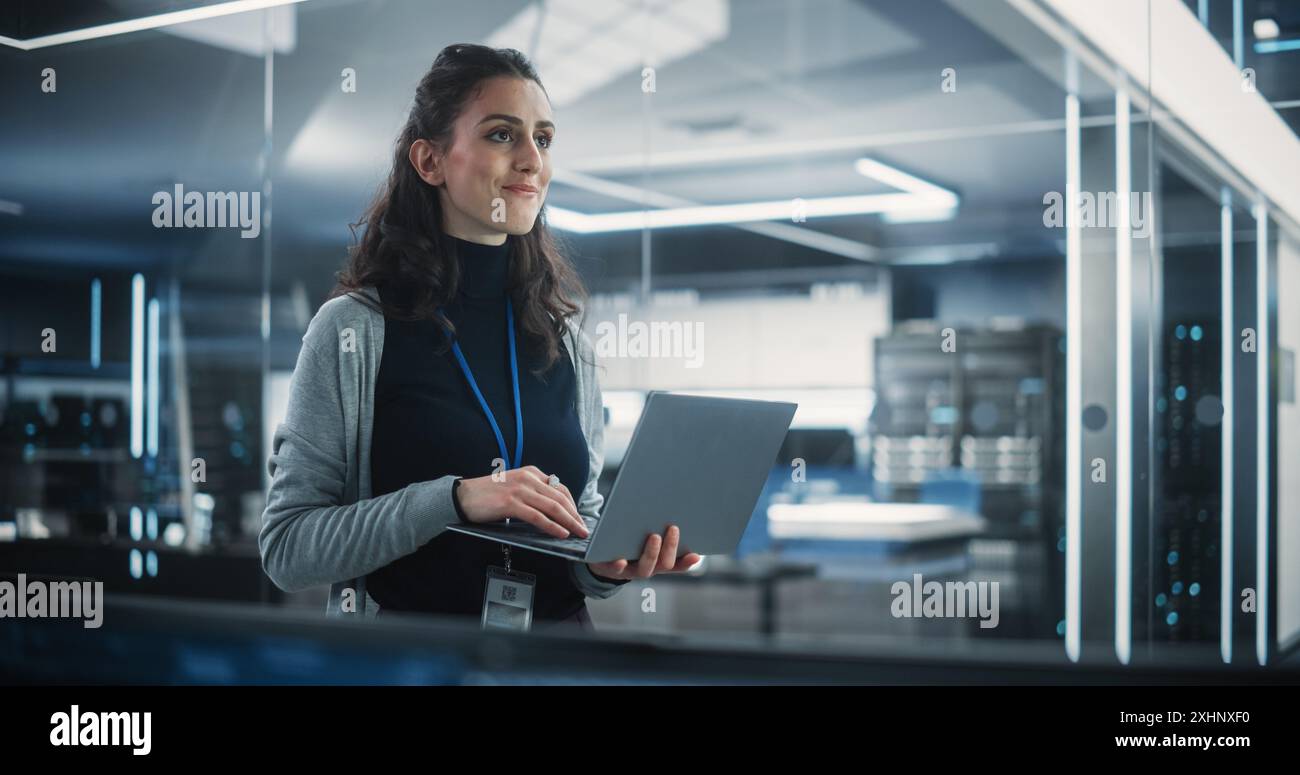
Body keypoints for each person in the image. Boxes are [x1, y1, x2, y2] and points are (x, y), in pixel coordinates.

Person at [259, 43, 700, 632]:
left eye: (542, 139)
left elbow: (581, 530)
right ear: (430, 161)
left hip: (556, 665)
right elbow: (287, 549)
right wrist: (458, 499)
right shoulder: (354, 331)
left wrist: (610, 566)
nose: (531, 161)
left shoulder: (568, 345)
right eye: (501, 135)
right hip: (413, 665)